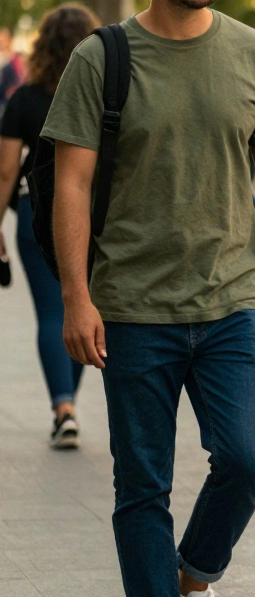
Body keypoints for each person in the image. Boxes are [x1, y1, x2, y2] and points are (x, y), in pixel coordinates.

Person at [43, 0, 255, 597]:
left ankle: (194, 579)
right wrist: (77, 294)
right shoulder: (101, 58)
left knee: (248, 455)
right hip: (133, 305)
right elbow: (71, 182)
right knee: (142, 480)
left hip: (230, 300)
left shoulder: (253, 53)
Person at [0, 4, 98, 449]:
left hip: (33, 219)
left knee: (51, 312)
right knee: (82, 306)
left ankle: (64, 407)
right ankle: (68, 405)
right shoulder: (104, 94)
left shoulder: (25, 97)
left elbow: (5, 172)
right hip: (94, 220)